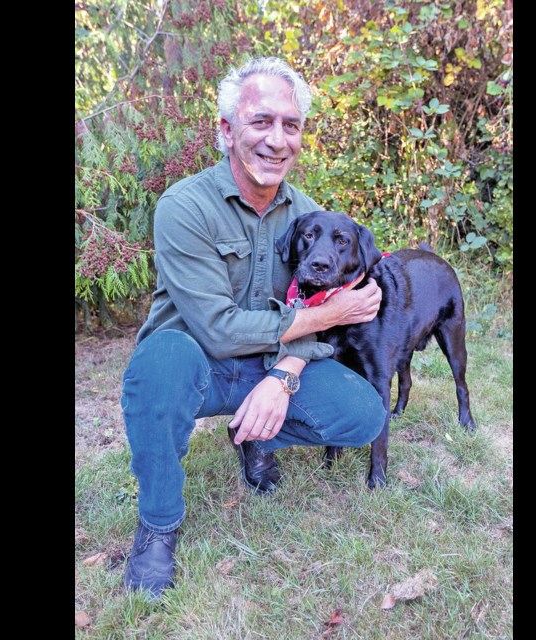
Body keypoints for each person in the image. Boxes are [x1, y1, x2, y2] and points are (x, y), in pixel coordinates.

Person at [120, 57, 386, 600]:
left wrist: (286, 374)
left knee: (363, 413)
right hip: (195, 365)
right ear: (227, 129)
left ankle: (254, 435)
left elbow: (331, 299)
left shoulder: (310, 215)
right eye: (261, 121)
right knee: (159, 366)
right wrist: (329, 317)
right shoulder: (185, 206)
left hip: (266, 366)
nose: (277, 139)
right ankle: (159, 525)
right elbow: (218, 330)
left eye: (290, 125)